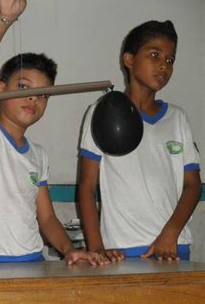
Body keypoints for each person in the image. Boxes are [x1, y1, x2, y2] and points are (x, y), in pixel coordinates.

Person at [0, 0, 103, 265]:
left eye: (43, 94)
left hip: (34, 262)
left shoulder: (38, 155)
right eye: (24, 88)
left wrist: (69, 250)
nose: (34, 99)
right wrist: (5, 18)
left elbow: (46, 218)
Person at [78, 20, 202, 261]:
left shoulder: (177, 118)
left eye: (170, 60)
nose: (163, 66)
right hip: (121, 251)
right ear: (129, 60)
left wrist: (171, 233)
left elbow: (193, 185)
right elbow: (86, 186)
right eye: (155, 55)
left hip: (173, 248)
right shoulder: (102, 113)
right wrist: (96, 249)